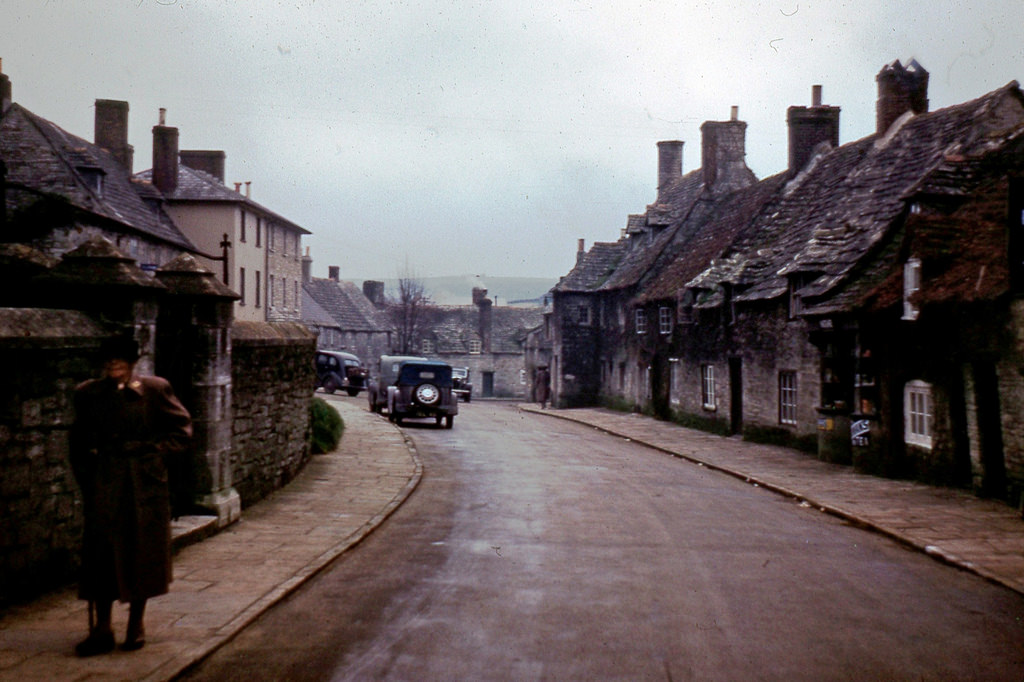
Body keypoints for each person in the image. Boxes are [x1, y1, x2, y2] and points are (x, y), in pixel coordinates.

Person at [70, 335, 193, 657]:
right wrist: (88, 477)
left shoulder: (154, 390)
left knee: (142, 553)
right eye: (109, 359)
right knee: (100, 554)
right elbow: (77, 443)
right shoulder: (87, 394)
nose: (114, 364)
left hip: (143, 484)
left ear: (133, 362)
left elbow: (181, 432)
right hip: (105, 482)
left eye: (120, 359)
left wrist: (153, 456)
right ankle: (102, 628)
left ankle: (135, 625)